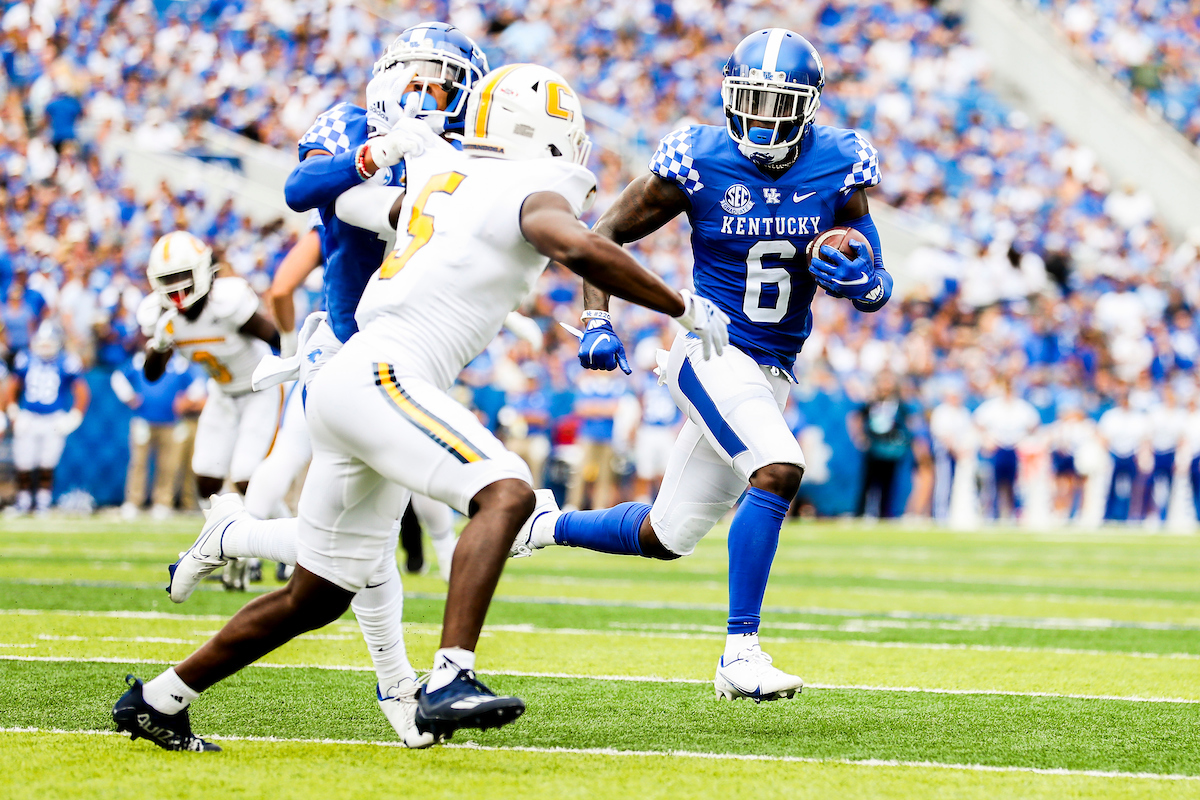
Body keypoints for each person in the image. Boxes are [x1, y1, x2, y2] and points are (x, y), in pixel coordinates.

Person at [112, 63, 728, 752]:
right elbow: (580, 245)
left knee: (316, 595)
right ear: (547, 132)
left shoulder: (448, 170)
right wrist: (680, 305)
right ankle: (449, 677)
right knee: (507, 490)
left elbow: (372, 215)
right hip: (387, 371)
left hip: (355, 374)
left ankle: (161, 699)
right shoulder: (530, 186)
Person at [510, 29, 892, 702]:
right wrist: (596, 319)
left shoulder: (840, 161)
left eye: (781, 105)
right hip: (708, 347)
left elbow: (872, 266)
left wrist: (868, 284)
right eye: (751, 101)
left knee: (669, 533)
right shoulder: (699, 156)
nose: (763, 119)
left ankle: (541, 523)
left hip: (771, 366)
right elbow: (602, 236)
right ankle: (740, 653)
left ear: (809, 107)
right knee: (778, 468)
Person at [158, 24, 488, 746]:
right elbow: (307, 190)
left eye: (447, 82)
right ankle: (401, 692)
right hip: (349, 352)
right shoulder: (350, 126)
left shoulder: (461, 151)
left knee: (350, 553)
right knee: (358, 540)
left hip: (403, 353)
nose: (435, 94)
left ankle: (234, 535)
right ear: (393, 75)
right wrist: (383, 154)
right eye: (425, 77)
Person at [4, 321, 88, 514]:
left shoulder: (67, 361)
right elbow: (13, 385)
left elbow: (81, 390)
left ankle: (43, 502)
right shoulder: (25, 358)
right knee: (23, 462)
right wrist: (13, 408)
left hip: (53, 418)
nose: (45, 346)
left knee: (47, 463)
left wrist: (75, 415)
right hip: (29, 416)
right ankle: (23, 501)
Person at [112, 352, 204, 519]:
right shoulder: (139, 359)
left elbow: (198, 385)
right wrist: (129, 396)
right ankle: (133, 501)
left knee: (168, 465)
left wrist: (187, 401)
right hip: (143, 419)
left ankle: (162, 502)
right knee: (138, 463)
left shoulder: (180, 362)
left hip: (171, 422)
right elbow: (118, 377)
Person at [848, 372, 915, 519]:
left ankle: (884, 514)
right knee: (868, 483)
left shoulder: (899, 404)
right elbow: (855, 417)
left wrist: (904, 439)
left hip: (891, 450)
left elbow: (910, 422)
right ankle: (860, 513)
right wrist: (860, 437)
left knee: (888, 484)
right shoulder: (872, 403)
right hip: (874, 448)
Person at [973, 378, 1040, 520]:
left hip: (1015, 449)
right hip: (997, 448)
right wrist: (986, 439)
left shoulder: (1022, 407)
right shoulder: (992, 406)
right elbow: (977, 422)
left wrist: (1024, 439)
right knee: (993, 483)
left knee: (1015, 485)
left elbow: (1034, 424)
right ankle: (993, 514)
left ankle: (1015, 514)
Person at [1098, 387, 1147, 522]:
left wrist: (1141, 455)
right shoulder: (1111, 416)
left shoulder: (1138, 417)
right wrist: (1107, 454)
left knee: (1133, 487)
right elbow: (1103, 437)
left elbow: (1144, 438)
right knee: (1111, 486)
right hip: (1114, 454)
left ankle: (1129, 515)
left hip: (1132, 454)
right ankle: (1108, 515)